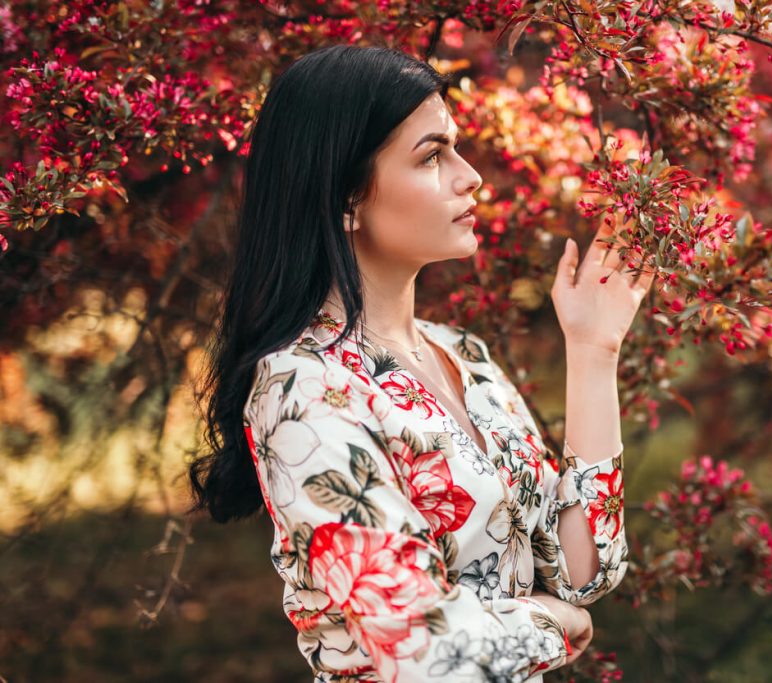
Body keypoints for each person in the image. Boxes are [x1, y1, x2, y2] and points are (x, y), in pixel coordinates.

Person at [188, 44, 655, 682]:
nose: (471, 176)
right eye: (432, 155)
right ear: (346, 197)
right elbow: (428, 655)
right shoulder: (304, 388)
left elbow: (581, 573)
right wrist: (554, 628)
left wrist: (593, 354)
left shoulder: (464, 355)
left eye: (456, 148)